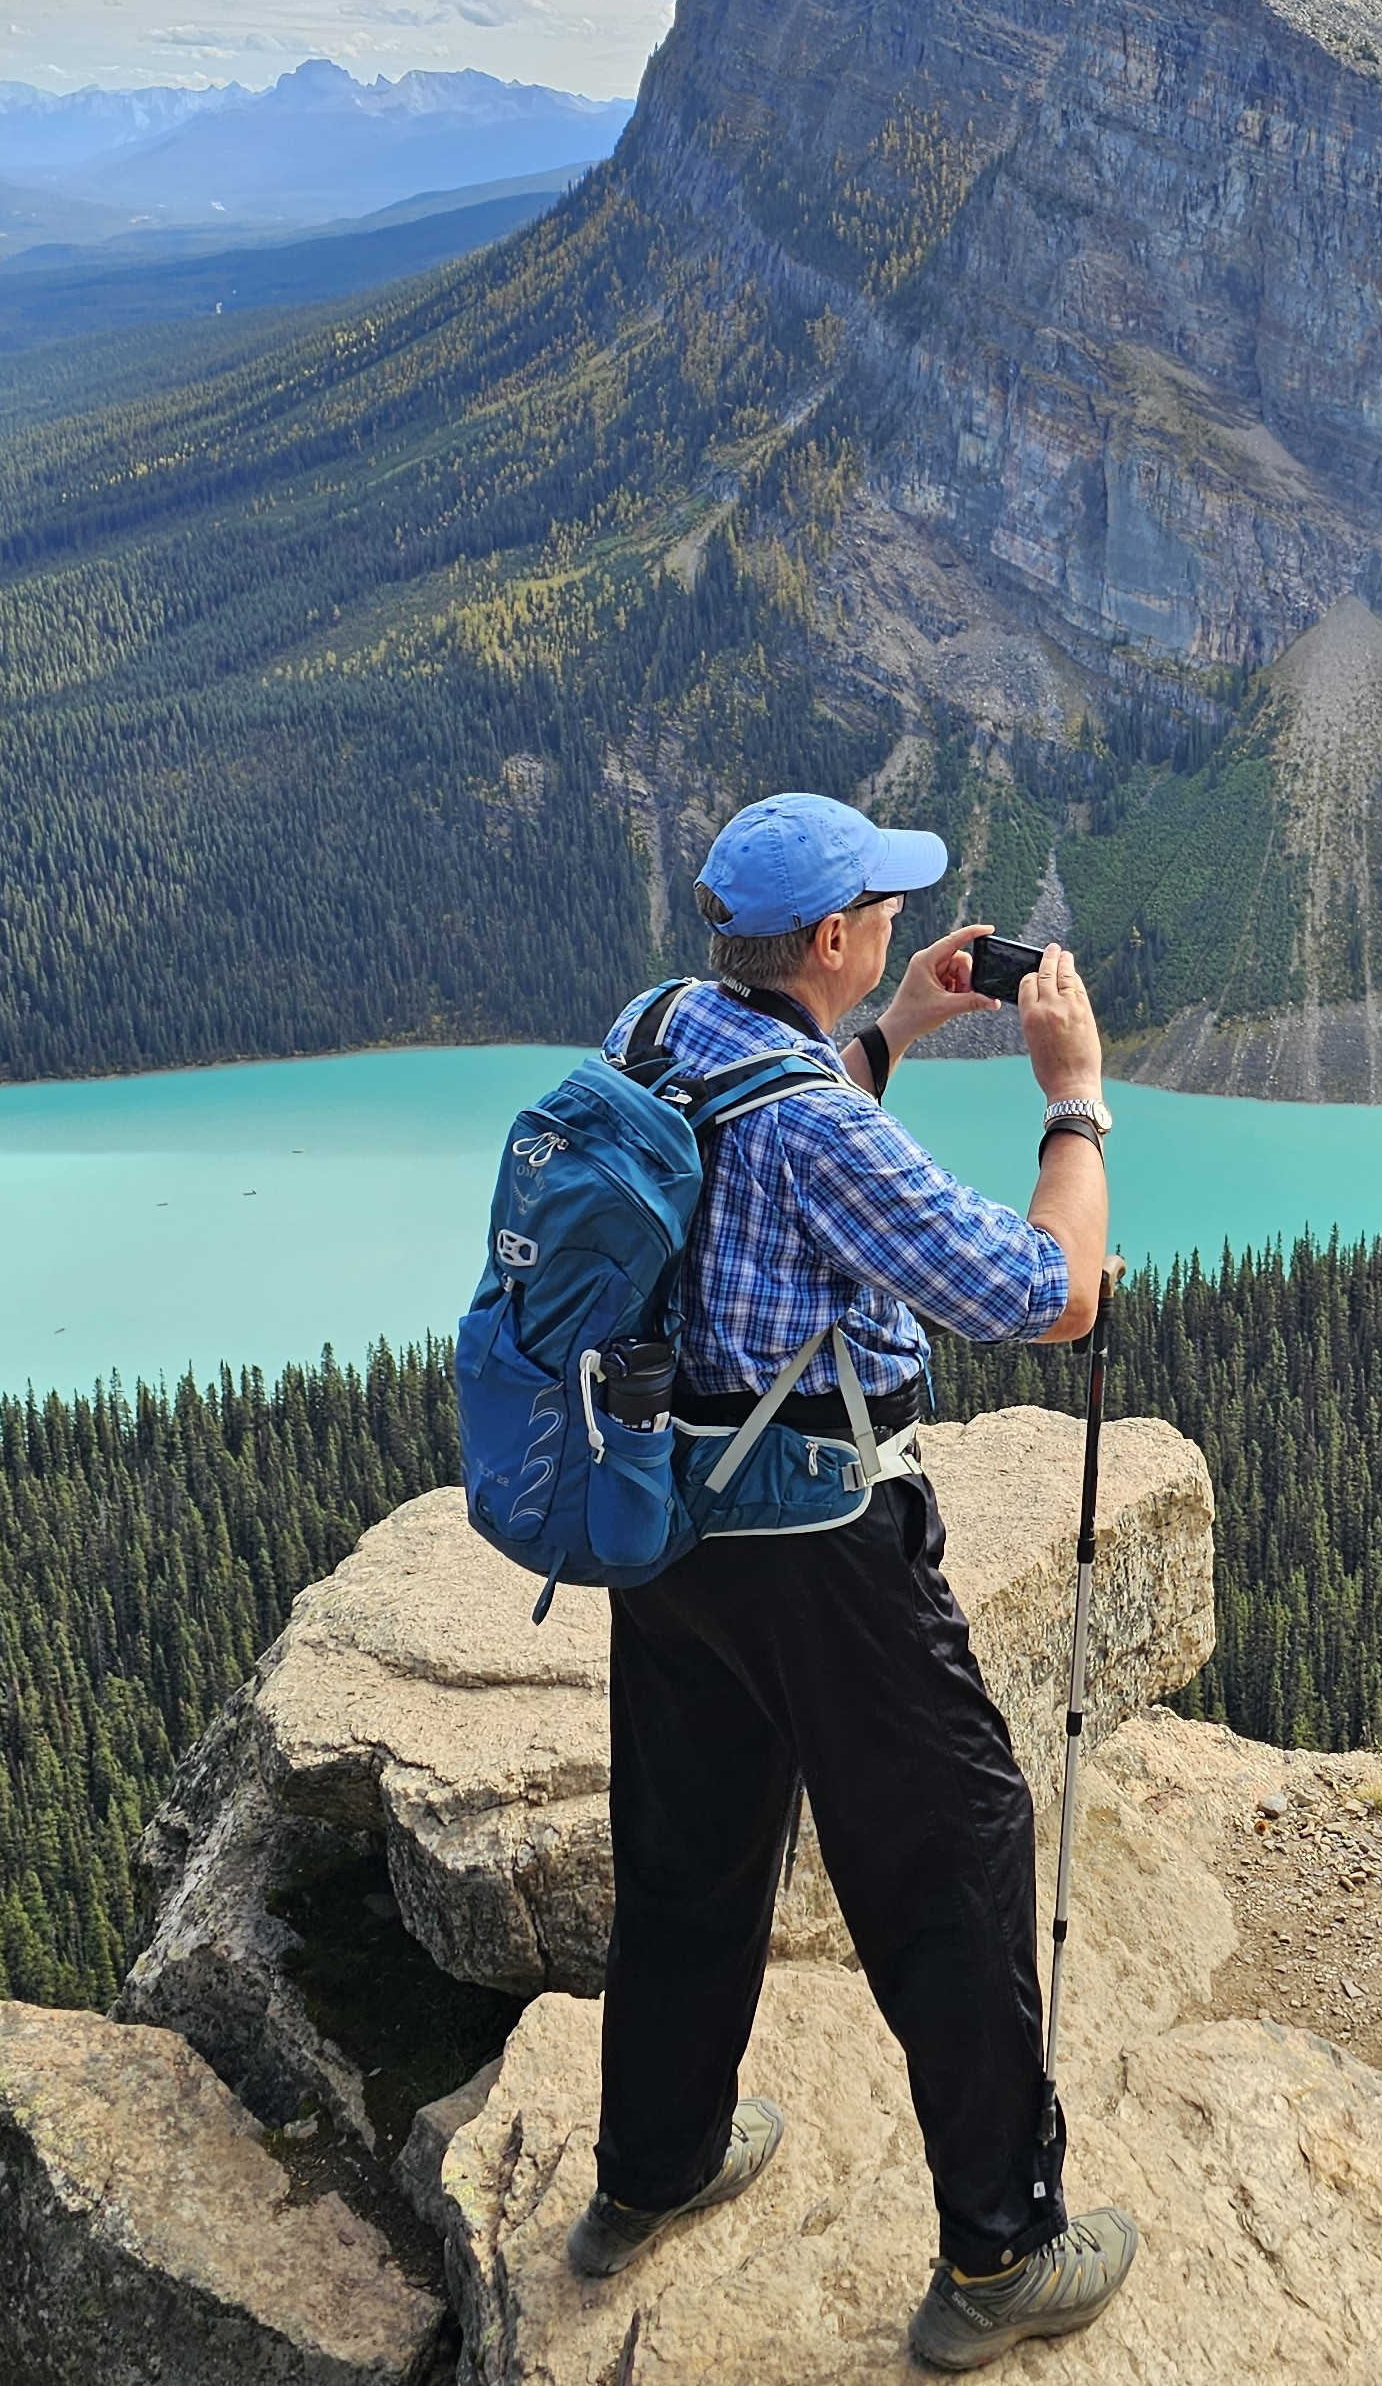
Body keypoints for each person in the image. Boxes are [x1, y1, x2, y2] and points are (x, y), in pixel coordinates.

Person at [563, 790, 1135, 2373]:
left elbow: (742, 1155)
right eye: (877, 911)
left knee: (688, 1849)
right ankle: (1003, 2254)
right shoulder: (825, 1130)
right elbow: (1051, 1292)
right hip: (822, 1548)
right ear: (827, 937)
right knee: (952, 1853)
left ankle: (650, 2169)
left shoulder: (661, 1026)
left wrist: (891, 1021)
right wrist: (1074, 1106)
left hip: (666, 1524)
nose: (896, 918)